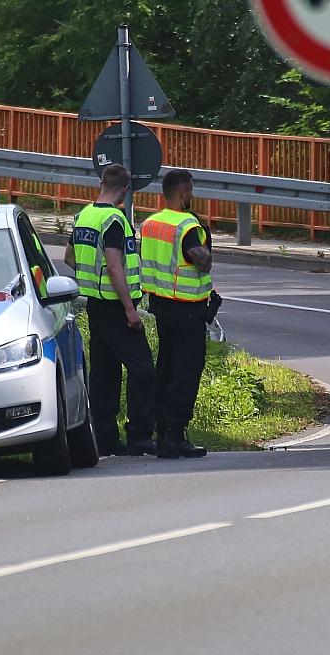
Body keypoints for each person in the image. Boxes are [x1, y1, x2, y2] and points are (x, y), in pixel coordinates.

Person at [64, 164, 157, 457]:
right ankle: (139, 436)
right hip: (116, 307)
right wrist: (130, 309)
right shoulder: (114, 220)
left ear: (101, 183)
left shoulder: (84, 216)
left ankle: (104, 436)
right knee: (143, 369)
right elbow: (116, 266)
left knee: (105, 372)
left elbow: (70, 257)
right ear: (126, 190)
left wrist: (91, 277)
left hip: (94, 304)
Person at [139, 169, 212, 459]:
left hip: (161, 305)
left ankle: (160, 430)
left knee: (165, 366)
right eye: (190, 189)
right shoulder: (188, 226)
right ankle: (176, 435)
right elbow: (202, 262)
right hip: (188, 307)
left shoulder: (151, 223)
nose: (192, 194)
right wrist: (206, 246)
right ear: (182, 192)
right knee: (186, 371)